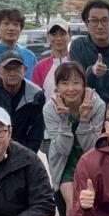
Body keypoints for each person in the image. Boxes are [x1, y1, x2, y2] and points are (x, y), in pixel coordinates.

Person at [43, 62, 106, 216]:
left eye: (76, 82)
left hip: (91, 160)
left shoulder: (97, 104)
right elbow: (61, 149)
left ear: (84, 84)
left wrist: (85, 119)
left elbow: (92, 146)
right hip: (65, 163)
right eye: (64, 83)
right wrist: (64, 122)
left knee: (94, 205)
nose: (71, 88)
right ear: (57, 87)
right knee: (72, 208)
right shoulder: (50, 108)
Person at [69, 0, 109, 103]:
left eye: (104, 20)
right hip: (84, 107)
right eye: (94, 21)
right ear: (87, 24)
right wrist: (92, 71)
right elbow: (73, 81)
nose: (100, 26)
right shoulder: (78, 46)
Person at [0, 51, 45, 153]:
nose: (12, 73)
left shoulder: (36, 95)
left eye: (17, 68)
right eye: (7, 69)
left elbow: (37, 133)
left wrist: (28, 156)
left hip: (24, 151)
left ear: (25, 70)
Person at [31, 19, 72, 154]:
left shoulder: (78, 62)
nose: (58, 38)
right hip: (50, 130)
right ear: (48, 37)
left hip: (75, 126)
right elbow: (35, 100)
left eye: (62, 34)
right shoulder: (40, 67)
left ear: (70, 36)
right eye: (54, 34)